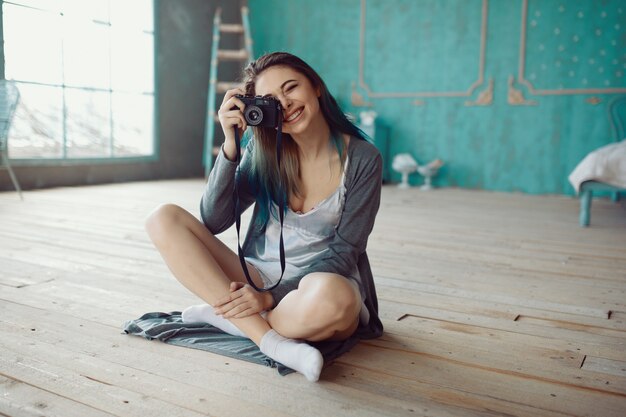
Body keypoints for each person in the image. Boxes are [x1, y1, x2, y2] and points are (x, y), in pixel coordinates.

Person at [145, 52, 383, 382]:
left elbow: (345, 252)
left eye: (291, 88)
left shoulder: (362, 158)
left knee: (335, 300)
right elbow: (214, 220)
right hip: (257, 275)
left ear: (315, 86)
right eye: (272, 100)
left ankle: (233, 318)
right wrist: (230, 146)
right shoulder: (264, 150)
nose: (285, 104)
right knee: (163, 217)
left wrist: (269, 298)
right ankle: (268, 340)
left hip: (318, 286)